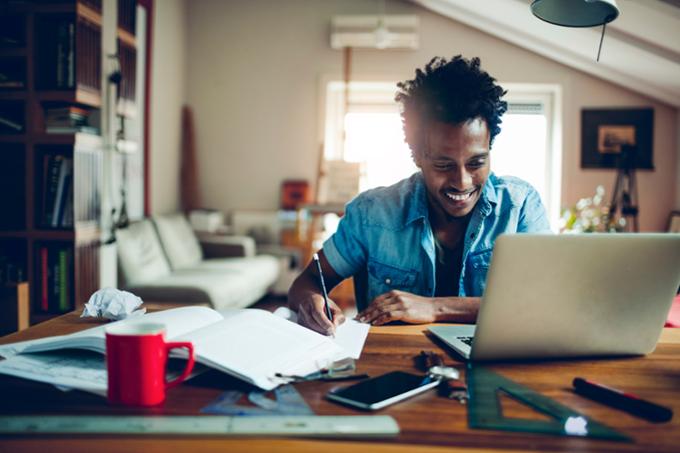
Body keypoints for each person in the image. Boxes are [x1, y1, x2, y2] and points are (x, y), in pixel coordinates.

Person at [288, 55, 551, 336]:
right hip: (394, 368)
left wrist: (436, 307)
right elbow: (307, 283)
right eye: (443, 165)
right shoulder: (372, 214)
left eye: (476, 163)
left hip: (495, 363)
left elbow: (546, 304)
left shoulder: (520, 206)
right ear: (417, 157)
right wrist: (313, 303)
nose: (462, 181)